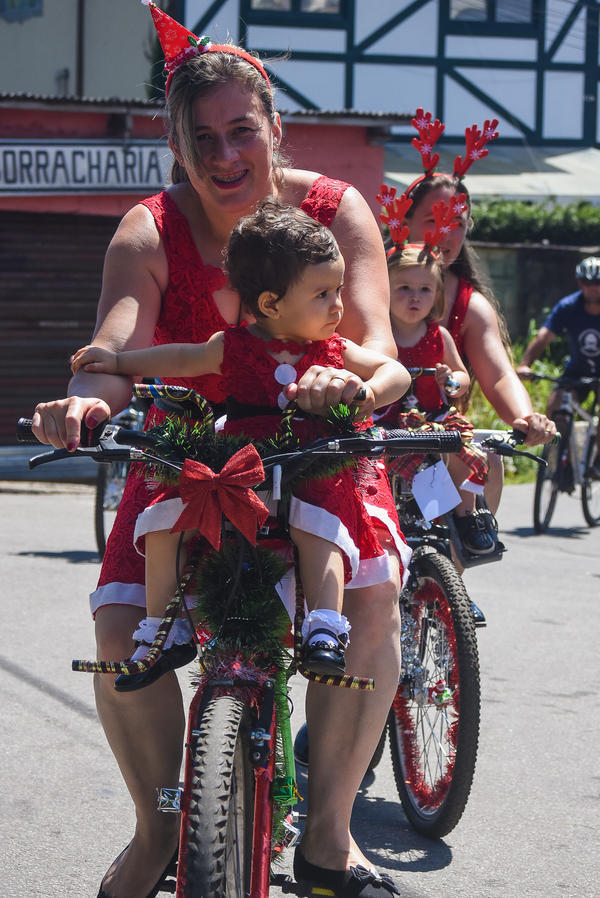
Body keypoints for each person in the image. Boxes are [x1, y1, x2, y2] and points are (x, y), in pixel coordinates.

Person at [31, 5, 406, 896]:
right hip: (189, 461)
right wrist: (82, 404)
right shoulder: (148, 229)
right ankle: (161, 831)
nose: (226, 155)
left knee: (373, 595)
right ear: (176, 147)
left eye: (243, 130)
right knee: (121, 627)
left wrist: (350, 387)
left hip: (315, 450)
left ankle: (328, 840)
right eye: (203, 139)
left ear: (277, 127)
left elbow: (378, 348)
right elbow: (116, 351)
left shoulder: (333, 212)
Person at [71, 199, 411, 686]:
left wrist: (370, 393)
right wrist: (115, 360)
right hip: (239, 462)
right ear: (271, 303)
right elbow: (179, 357)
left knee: (321, 524)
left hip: (307, 461)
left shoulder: (335, 350)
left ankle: (324, 629)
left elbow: (393, 371)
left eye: (338, 290)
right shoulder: (230, 346)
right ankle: (165, 630)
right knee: (163, 518)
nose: (339, 305)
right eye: (323, 294)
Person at [400, 111, 556, 520]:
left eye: (458, 223)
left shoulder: (471, 304)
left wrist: (526, 417)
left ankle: (453, 566)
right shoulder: (370, 281)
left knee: (484, 466)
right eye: (434, 220)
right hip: (373, 428)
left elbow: (500, 374)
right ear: (405, 220)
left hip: (438, 433)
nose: (446, 234)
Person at [376, 242, 493, 554]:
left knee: (461, 445)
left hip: (432, 417)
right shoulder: (378, 335)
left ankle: (467, 516)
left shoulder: (438, 336)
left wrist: (451, 381)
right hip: (386, 419)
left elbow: (462, 375)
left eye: (425, 289)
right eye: (403, 287)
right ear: (383, 290)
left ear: (438, 295)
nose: (415, 296)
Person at [517, 256, 600, 476]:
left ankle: (598, 460)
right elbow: (544, 337)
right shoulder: (568, 307)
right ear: (579, 283)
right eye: (587, 283)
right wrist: (525, 364)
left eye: (597, 283)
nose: (592, 289)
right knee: (555, 407)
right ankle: (566, 464)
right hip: (577, 370)